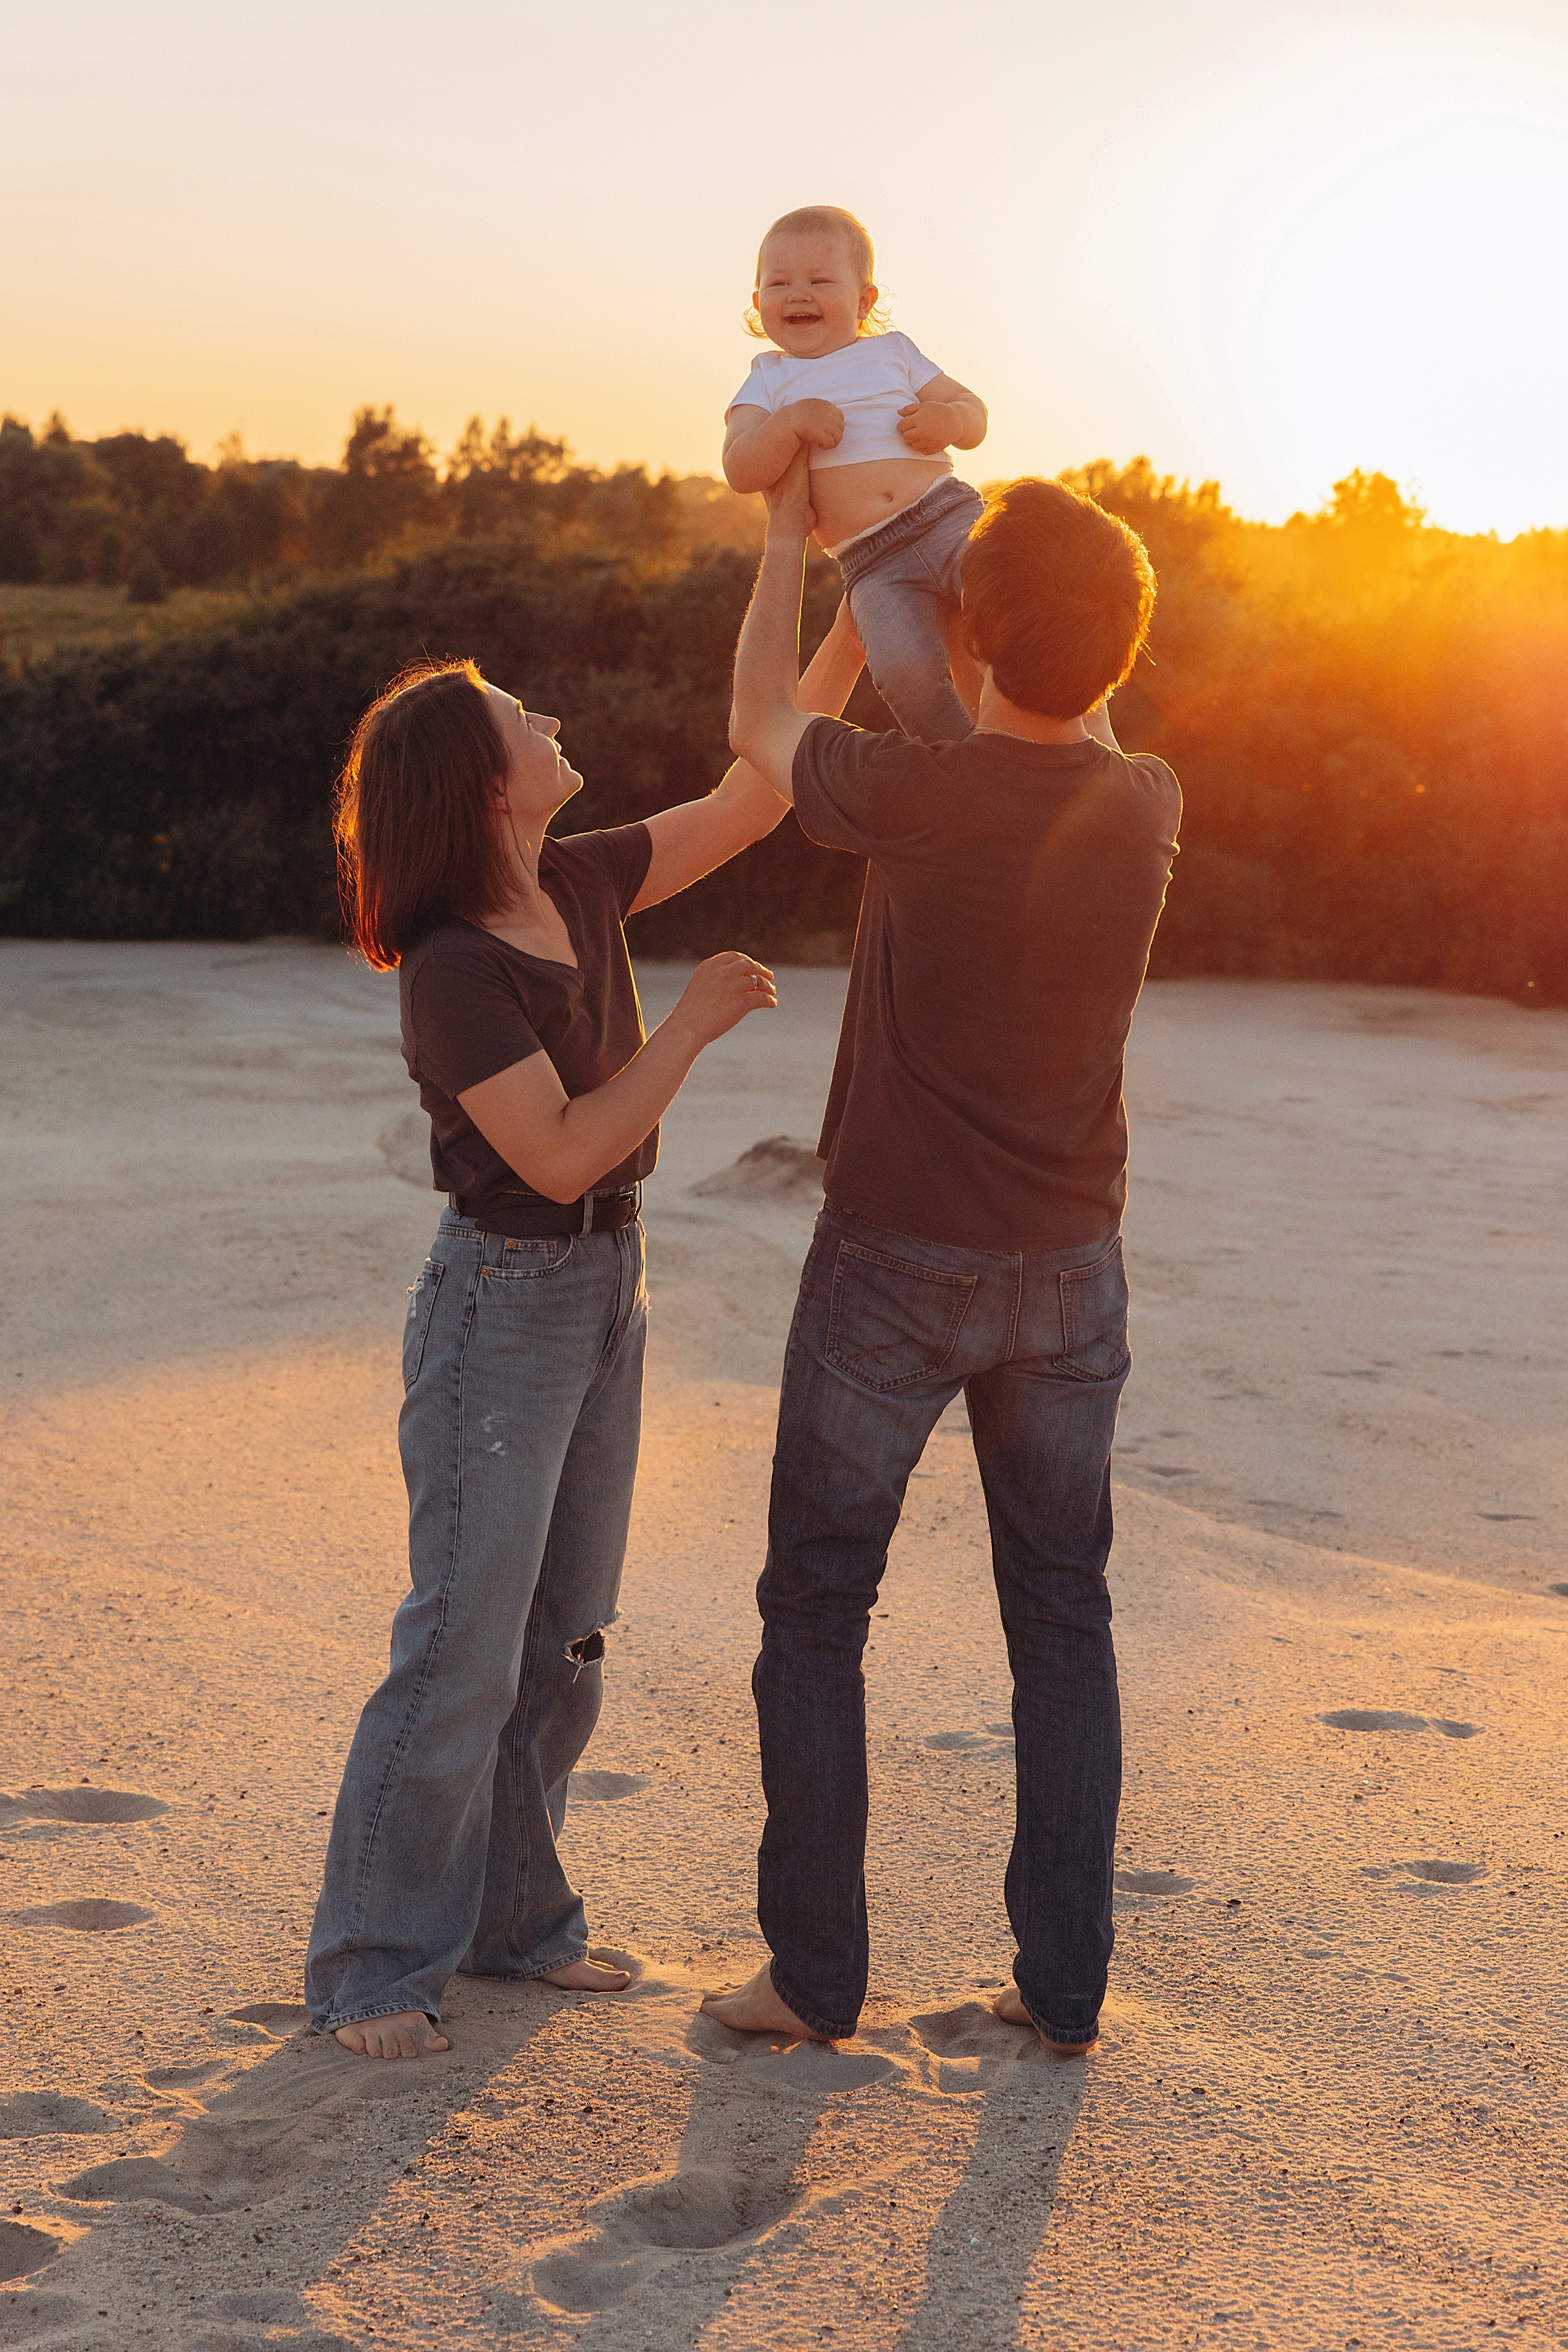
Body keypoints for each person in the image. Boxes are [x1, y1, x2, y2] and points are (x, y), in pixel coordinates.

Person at [306, 625, 862, 2060]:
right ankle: (372, 1962)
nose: (548, 711)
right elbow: (553, 1153)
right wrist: (685, 1032)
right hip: (503, 1294)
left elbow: (758, 793)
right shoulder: (451, 968)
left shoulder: (578, 873)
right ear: (483, 785)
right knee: (461, 1646)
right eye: (515, 712)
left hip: (608, 1280)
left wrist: (853, 601)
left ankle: (510, 1918)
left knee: (562, 1638)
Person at [702, 457, 1182, 2056]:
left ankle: (812, 1982)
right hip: (1071, 1271)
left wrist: (791, 541)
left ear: (965, 639)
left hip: (896, 1263)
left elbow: (760, 728)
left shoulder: (918, 794)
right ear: (1120, 654)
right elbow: (1069, 691)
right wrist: (996, 594)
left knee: (818, 1608)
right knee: (1064, 1613)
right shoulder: (1144, 803)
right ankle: (1063, 1989)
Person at [723, 203, 988, 744]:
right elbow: (739, 467)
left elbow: (974, 411)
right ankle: (963, 759)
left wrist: (949, 419)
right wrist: (790, 424)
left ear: (864, 299)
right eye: (779, 283)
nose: (799, 293)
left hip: (947, 517)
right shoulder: (769, 380)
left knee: (1006, 616)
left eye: (820, 280)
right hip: (873, 562)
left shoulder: (895, 352)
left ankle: (1028, 738)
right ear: (757, 304)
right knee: (904, 672)